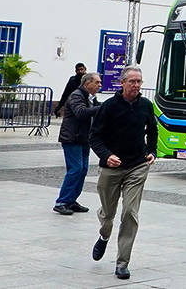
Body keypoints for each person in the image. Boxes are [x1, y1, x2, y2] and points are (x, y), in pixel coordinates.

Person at [89, 66, 156, 281]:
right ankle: (104, 234)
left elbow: (153, 130)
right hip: (111, 168)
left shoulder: (146, 105)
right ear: (122, 83)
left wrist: (152, 151)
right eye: (132, 81)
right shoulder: (109, 107)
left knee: (130, 213)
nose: (136, 85)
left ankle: (122, 263)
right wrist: (106, 155)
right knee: (108, 215)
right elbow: (95, 137)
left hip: (137, 166)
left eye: (139, 81)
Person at [54, 71, 102, 215]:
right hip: (72, 138)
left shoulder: (90, 97)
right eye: (97, 82)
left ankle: (71, 200)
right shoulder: (76, 95)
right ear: (88, 84)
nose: (100, 85)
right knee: (75, 169)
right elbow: (81, 112)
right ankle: (62, 201)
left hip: (83, 138)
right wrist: (101, 108)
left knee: (82, 170)